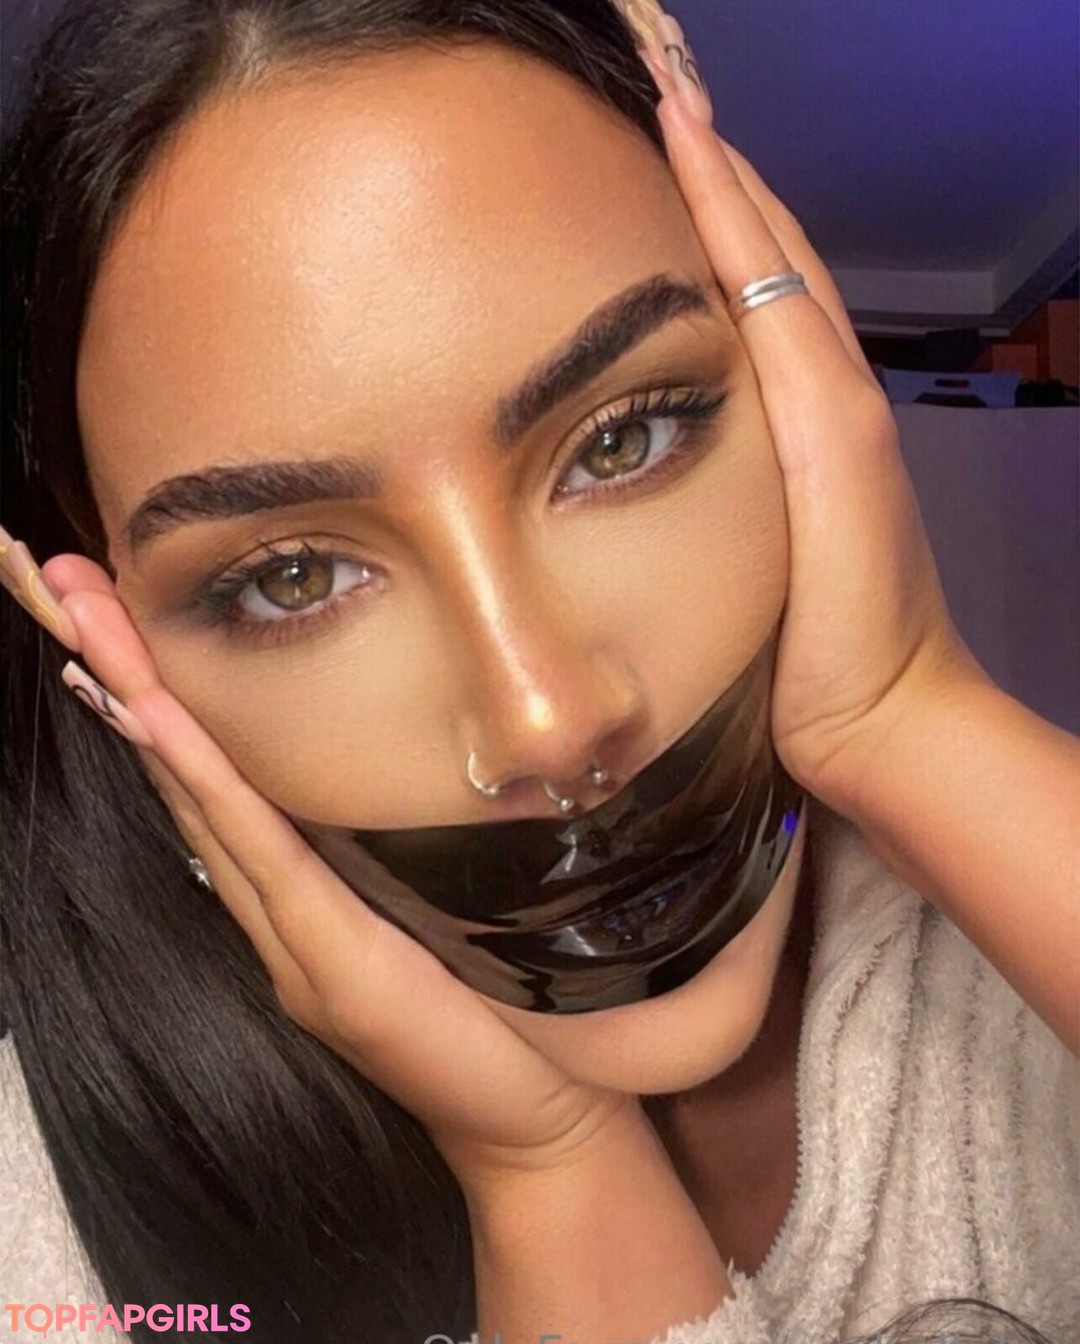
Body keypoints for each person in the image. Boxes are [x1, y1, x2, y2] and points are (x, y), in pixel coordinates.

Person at [1, 1, 1076, 1341]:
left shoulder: (1019, 969)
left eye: (625, 440)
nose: (550, 722)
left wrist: (909, 716)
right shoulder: (32, 1237)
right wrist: (549, 1172)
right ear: (110, 638)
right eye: (293, 579)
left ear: (803, 384)